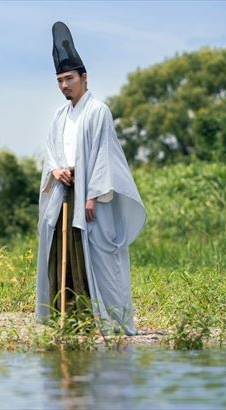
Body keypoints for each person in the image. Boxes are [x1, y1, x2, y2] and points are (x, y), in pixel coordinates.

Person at [35, 22, 146, 335]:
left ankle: (101, 317)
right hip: (63, 191)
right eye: (59, 80)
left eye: (69, 78)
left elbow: (104, 156)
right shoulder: (59, 115)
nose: (64, 85)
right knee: (60, 251)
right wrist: (55, 170)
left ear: (84, 78)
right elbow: (51, 152)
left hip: (89, 195)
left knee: (94, 253)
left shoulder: (98, 110)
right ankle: (68, 316)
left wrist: (91, 196)